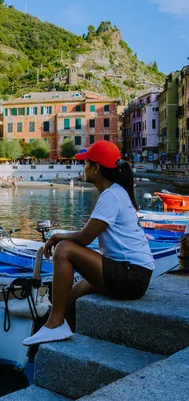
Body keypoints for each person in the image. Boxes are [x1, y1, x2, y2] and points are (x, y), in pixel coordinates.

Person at [23, 140, 155, 346]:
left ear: (96, 169)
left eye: (86, 163)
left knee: (64, 250)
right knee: (69, 297)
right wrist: (61, 235)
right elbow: (87, 236)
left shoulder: (111, 195)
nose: (82, 167)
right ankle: (68, 341)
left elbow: (85, 238)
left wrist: (58, 237)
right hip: (134, 274)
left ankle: (54, 324)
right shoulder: (117, 192)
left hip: (131, 276)